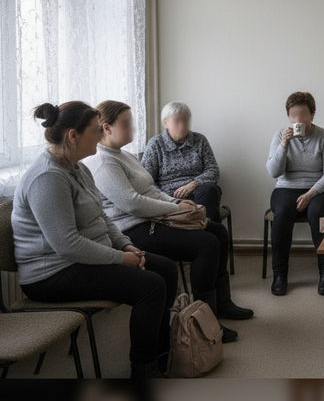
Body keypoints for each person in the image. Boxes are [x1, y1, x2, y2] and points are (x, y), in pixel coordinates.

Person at [12, 101, 177, 378]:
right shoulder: (48, 177)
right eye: (94, 130)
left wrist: (125, 244)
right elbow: (68, 245)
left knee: (166, 269)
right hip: (50, 275)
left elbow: (102, 217)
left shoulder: (78, 168)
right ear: (73, 136)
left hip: (80, 260)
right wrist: (120, 258)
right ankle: (145, 371)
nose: (101, 135)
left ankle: (162, 354)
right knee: (150, 287)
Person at [82, 100, 252, 345]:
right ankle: (205, 320)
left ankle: (221, 303)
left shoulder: (125, 155)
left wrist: (180, 204)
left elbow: (151, 190)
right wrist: (175, 208)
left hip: (153, 218)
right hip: (133, 229)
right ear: (107, 128)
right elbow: (133, 204)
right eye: (126, 123)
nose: (133, 128)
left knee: (217, 231)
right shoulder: (103, 162)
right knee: (206, 244)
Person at [266, 92, 324, 296]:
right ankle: (280, 275)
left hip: (319, 189)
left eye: (303, 115)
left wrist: (311, 193)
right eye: (293, 115)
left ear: (312, 115)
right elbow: (273, 172)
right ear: (289, 117)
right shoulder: (280, 136)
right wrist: (284, 145)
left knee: (317, 212)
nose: (298, 120)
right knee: (282, 213)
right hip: (286, 188)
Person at [142, 102, 223, 222]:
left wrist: (193, 184)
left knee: (211, 190)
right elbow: (146, 179)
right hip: (169, 198)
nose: (183, 124)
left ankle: (198, 227)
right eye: (177, 121)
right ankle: (204, 228)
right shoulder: (155, 144)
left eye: (185, 120)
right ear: (165, 123)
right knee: (212, 218)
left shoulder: (200, 140)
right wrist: (168, 200)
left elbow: (213, 170)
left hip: (198, 194)